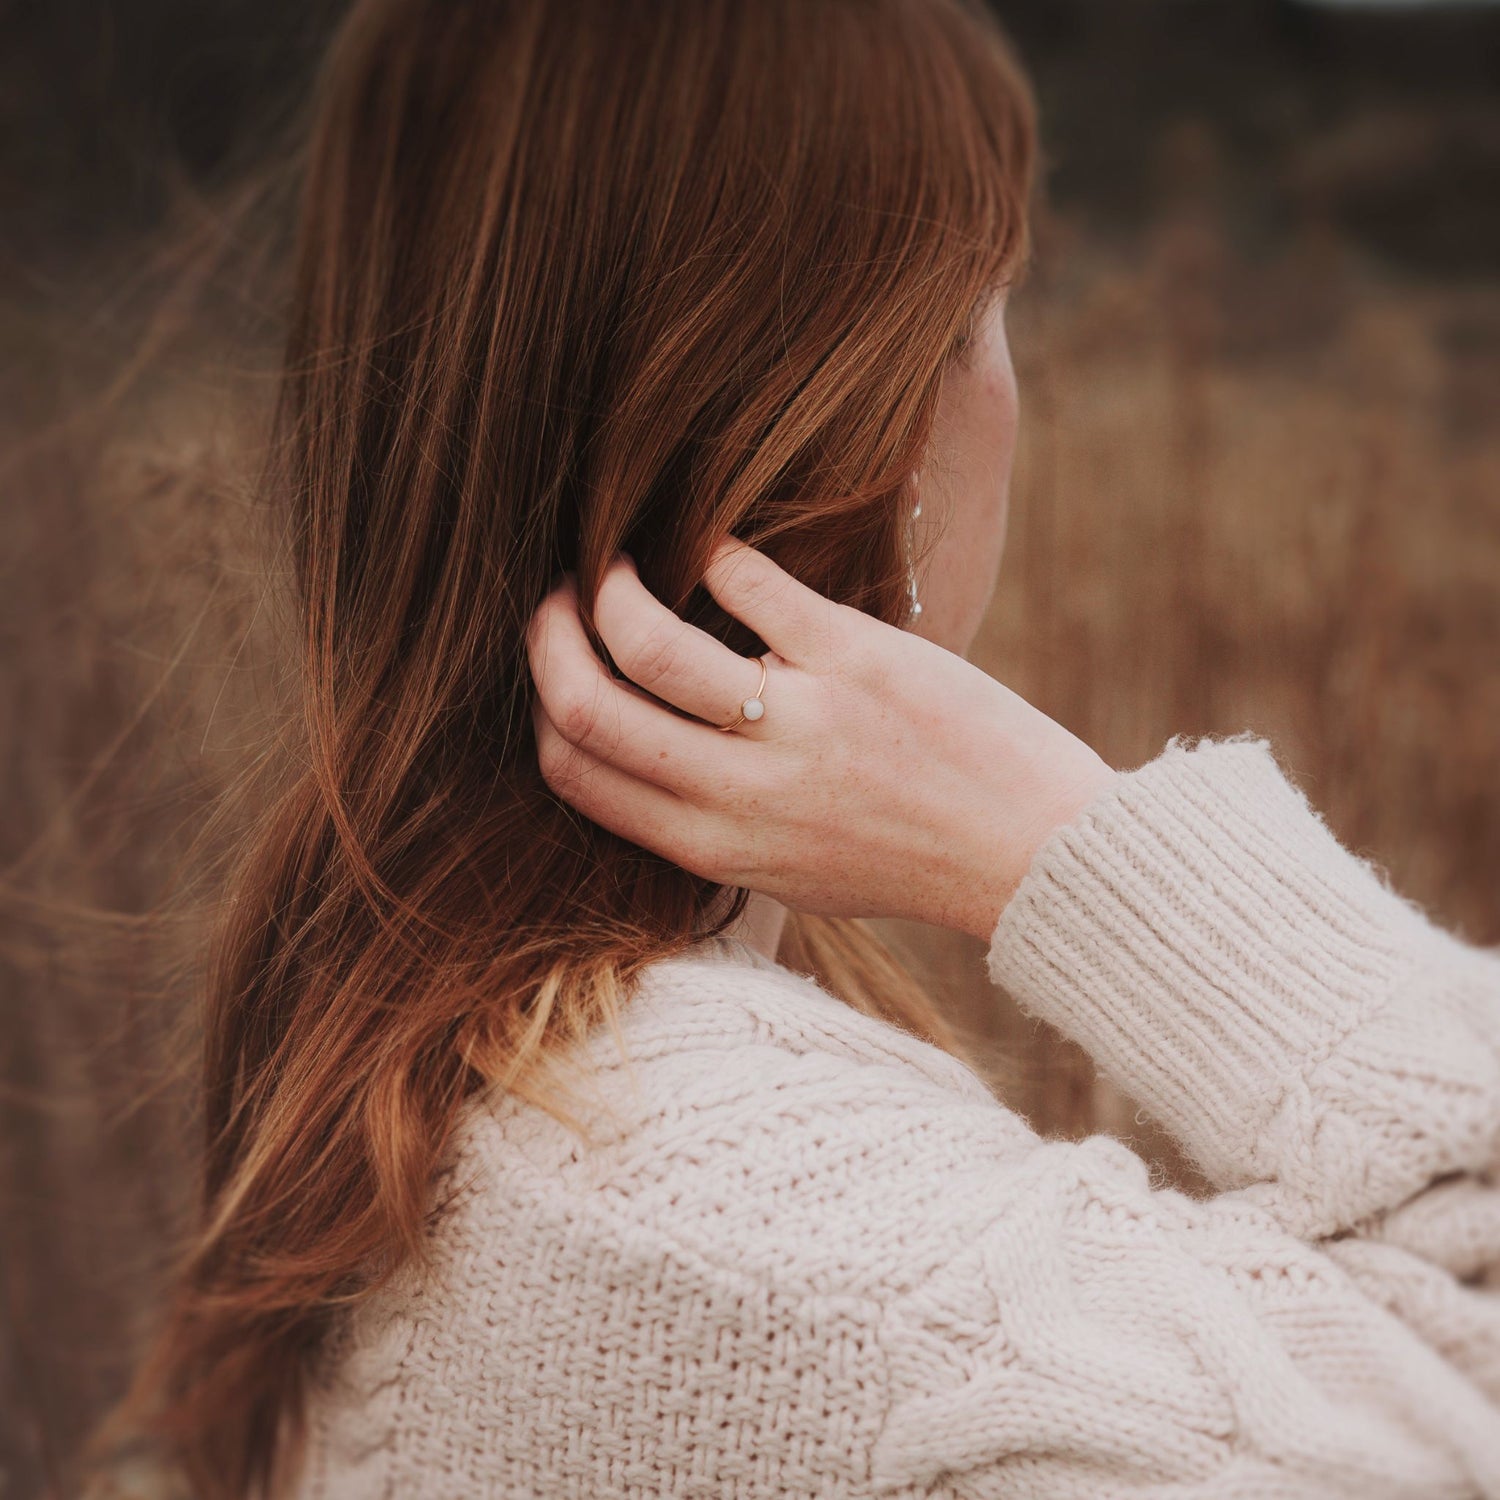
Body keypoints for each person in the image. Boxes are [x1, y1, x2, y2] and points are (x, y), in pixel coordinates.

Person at [100, 0, 1500, 1495]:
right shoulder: (792, 1254)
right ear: (878, 428)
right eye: (992, 301)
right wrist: (1082, 854)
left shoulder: (411, 1046)